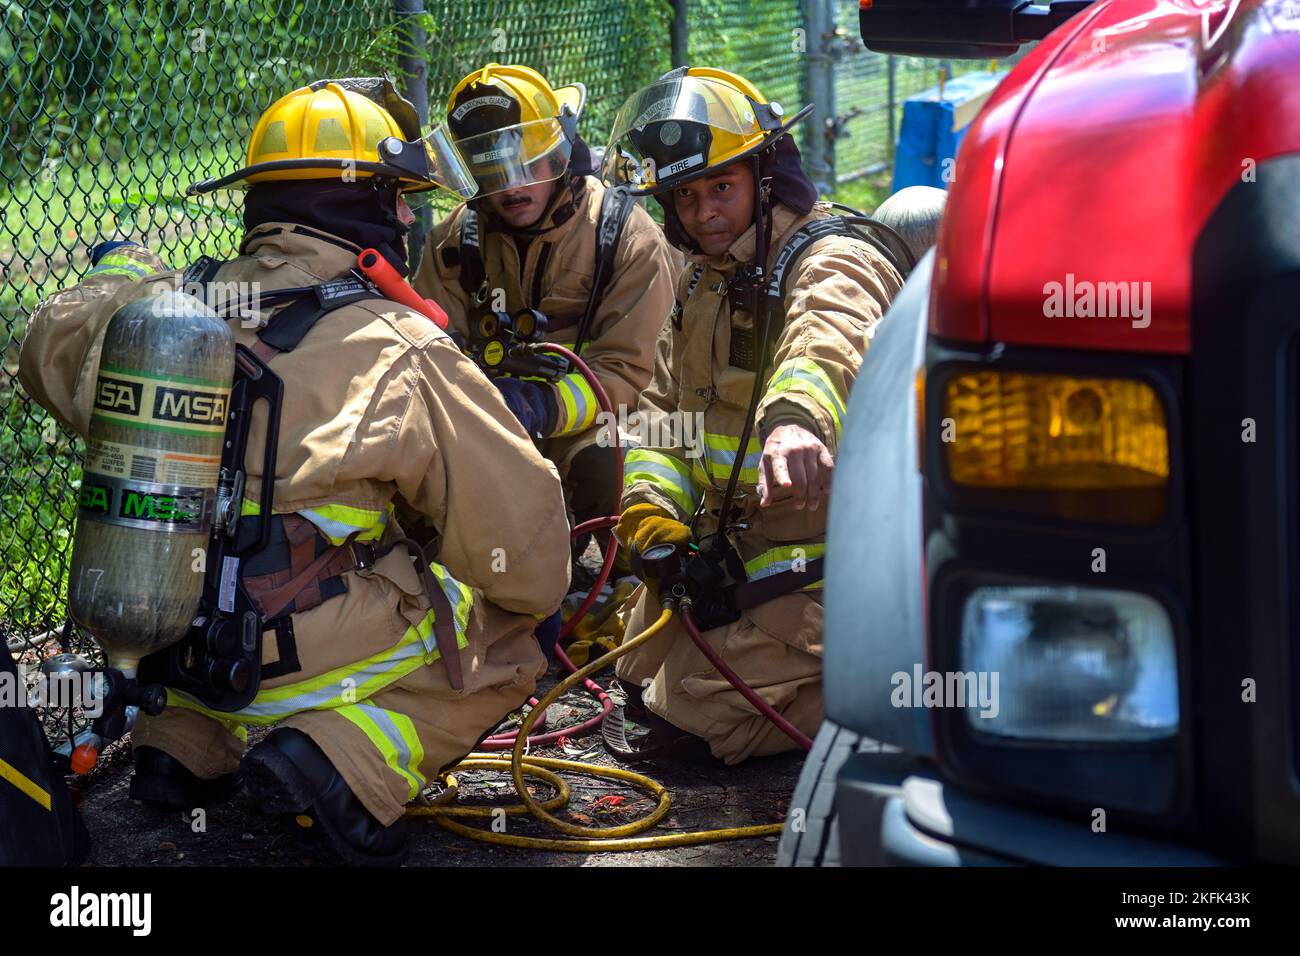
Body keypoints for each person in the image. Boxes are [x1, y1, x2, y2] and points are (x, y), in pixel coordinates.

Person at [17, 78, 572, 864]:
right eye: (400, 199)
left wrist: (124, 279)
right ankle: (343, 760)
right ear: (364, 208)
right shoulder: (400, 346)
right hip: (301, 668)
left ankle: (180, 743)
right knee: (517, 630)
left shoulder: (166, 316)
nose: (412, 217)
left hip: (169, 645)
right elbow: (528, 549)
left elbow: (50, 337)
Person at [597, 67, 906, 764]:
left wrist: (796, 420)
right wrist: (650, 515)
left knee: (703, 717)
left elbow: (830, 337)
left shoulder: (835, 258)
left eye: (722, 188)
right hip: (731, 551)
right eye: (686, 194)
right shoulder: (706, 278)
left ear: (767, 178)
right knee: (635, 672)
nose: (704, 212)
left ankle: (894, 676)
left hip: (831, 562)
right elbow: (660, 415)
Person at [413, 64, 680, 573]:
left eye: (526, 165)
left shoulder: (627, 237)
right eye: (492, 172)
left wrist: (538, 406)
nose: (512, 188)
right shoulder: (454, 244)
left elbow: (634, 374)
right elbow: (428, 353)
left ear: (560, 153)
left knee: (613, 459)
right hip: (494, 424)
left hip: (607, 421)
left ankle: (627, 586)